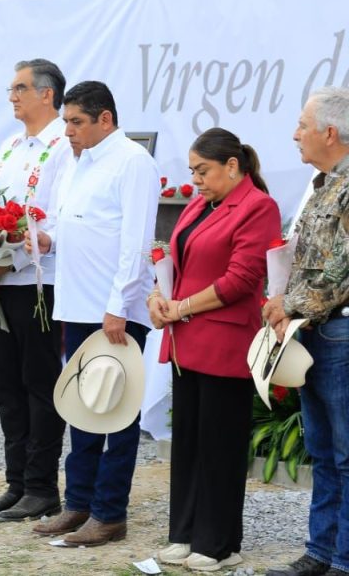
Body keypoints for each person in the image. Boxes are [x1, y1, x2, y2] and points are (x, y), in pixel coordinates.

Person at [31, 81, 159, 546]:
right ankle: (79, 504)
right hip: (80, 304)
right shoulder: (77, 161)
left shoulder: (133, 162)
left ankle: (109, 513)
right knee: (82, 409)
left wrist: (118, 307)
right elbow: (83, 225)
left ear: (105, 118)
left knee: (117, 414)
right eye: (66, 121)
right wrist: (52, 240)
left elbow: (136, 243)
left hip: (114, 310)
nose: (67, 130)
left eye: (76, 121)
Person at [148, 129, 279, 571]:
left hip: (224, 340)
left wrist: (181, 306)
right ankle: (184, 533)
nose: (197, 180)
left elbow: (241, 279)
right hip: (186, 339)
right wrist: (158, 297)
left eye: (203, 171)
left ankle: (219, 543)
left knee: (220, 445)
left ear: (232, 166)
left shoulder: (258, 206)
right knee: (188, 441)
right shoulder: (200, 205)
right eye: (192, 172)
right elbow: (176, 258)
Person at [0, 59, 72, 522]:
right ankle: (16, 483)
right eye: (11, 88)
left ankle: (43, 486)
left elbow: (59, 216)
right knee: (5, 382)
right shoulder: (9, 146)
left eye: (20, 88)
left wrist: (10, 258)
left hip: (38, 280)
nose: (12, 96)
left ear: (47, 94)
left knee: (39, 384)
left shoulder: (65, 144)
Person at [263, 87, 349, 576]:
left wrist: (287, 304)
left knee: (345, 455)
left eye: (302, 125)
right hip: (314, 331)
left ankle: (342, 559)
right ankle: (321, 554)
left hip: (338, 332)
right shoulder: (323, 183)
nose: (296, 133)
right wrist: (282, 303)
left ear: (330, 133)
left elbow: (340, 270)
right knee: (322, 449)